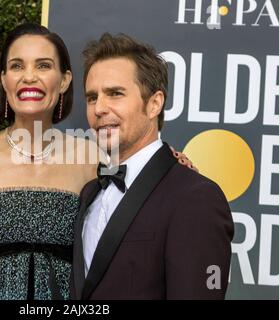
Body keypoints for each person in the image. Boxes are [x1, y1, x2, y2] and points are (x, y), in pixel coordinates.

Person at [0, 23, 193, 300]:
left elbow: (150, 188)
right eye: (16, 66)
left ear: (65, 80)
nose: (29, 77)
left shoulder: (95, 158)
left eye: (43, 66)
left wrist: (175, 167)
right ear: (4, 80)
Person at [71, 33, 234, 300]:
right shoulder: (90, 192)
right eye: (92, 97)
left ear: (154, 104)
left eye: (115, 94)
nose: (99, 108)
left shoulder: (195, 197)